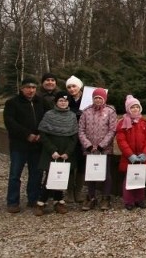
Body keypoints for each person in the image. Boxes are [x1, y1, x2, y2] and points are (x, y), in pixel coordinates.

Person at [3, 77, 45, 213]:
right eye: (28, 87)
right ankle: (12, 201)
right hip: (19, 145)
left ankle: (33, 199)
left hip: (37, 144)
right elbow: (10, 123)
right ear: (22, 88)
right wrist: (27, 134)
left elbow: (48, 118)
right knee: (15, 174)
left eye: (33, 87)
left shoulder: (41, 102)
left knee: (36, 174)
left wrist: (41, 134)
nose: (31, 90)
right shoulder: (12, 103)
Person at [33, 91, 78, 216]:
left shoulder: (72, 116)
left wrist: (68, 152)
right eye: (61, 100)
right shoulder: (49, 115)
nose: (63, 103)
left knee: (61, 177)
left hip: (66, 152)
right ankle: (41, 202)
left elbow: (74, 136)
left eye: (66, 100)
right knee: (50, 177)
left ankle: (58, 201)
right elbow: (43, 134)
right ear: (56, 102)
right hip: (51, 151)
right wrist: (52, 150)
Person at [78, 87, 117, 211]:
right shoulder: (86, 112)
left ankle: (106, 197)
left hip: (104, 149)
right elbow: (81, 130)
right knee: (90, 174)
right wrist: (88, 145)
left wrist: (102, 145)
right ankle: (91, 197)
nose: (98, 100)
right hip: (89, 149)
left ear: (104, 99)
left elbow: (112, 130)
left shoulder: (110, 111)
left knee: (106, 174)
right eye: (96, 98)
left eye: (100, 98)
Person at [116, 95, 146, 210]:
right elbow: (121, 140)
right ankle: (129, 201)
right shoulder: (122, 123)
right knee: (129, 179)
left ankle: (139, 199)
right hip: (129, 157)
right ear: (128, 109)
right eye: (132, 107)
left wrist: (145, 153)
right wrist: (130, 155)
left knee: (140, 178)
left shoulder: (144, 123)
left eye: (137, 107)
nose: (135, 109)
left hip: (142, 156)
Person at [65, 75, 86, 203]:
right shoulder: (66, 99)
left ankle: (78, 191)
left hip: (84, 136)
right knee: (70, 164)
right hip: (70, 135)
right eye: (69, 87)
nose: (72, 89)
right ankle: (69, 192)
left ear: (79, 86)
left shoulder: (88, 98)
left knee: (82, 165)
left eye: (74, 86)